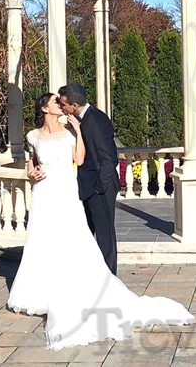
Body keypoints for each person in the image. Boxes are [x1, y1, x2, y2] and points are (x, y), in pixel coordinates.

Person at [6, 93, 195, 349]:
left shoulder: (69, 131)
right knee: (42, 240)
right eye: (54, 103)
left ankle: (77, 290)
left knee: (72, 240)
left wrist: (77, 130)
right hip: (44, 193)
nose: (59, 106)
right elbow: (31, 165)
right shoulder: (33, 136)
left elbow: (80, 159)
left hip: (65, 193)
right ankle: (39, 292)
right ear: (44, 108)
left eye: (60, 102)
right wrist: (32, 173)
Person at [57, 83, 119, 274]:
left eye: (63, 105)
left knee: (104, 234)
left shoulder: (96, 120)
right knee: (88, 232)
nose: (61, 108)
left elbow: (109, 158)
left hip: (100, 188)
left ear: (74, 106)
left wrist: (102, 187)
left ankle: (109, 277)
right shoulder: (80, 120)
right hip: (88, 187)